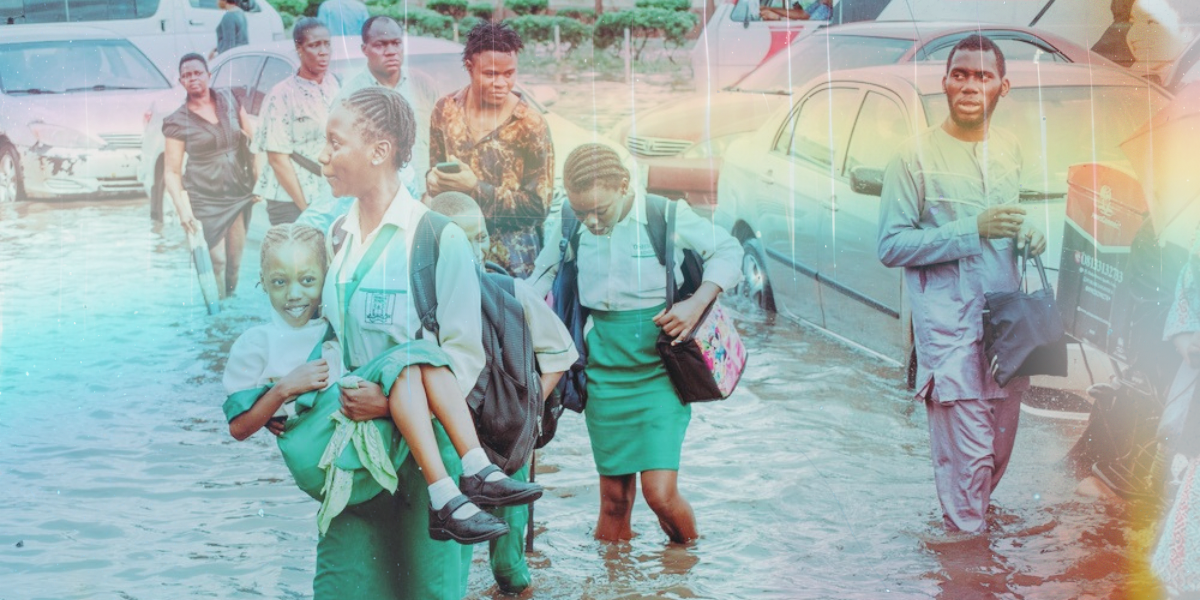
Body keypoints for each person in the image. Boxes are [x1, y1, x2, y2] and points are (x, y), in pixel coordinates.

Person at [222, 222, 540, 545]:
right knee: (411, 357)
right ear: (262, 282)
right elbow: (238, 428)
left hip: (345, 433)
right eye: (279, 282)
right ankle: (458, 482)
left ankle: (469, 471)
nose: (294, 294)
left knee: (419, 359)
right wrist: (283, 389)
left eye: (308, 280)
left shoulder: (332, 325)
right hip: (313, 449)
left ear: (326, 278)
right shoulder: (255, 343)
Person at [311, 85, 503, 598]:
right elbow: (332, 336)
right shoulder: (337, 235)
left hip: (426, 457)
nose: (322, 156)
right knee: (341, 586)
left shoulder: (439, 238)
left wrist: (389, 403)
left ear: (380, 150)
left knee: (427, 590)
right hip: (355, 450)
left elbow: (464, 359)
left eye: (334, 143)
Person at [527, 143, 743, 544]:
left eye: (600, 210)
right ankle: (616, 585)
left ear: (624, 185)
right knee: (613, 502)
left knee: (660, 495)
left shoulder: (664, 214)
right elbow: (542, 274)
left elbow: (729, 250)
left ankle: (686, 568)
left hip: (661, 372)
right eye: (581, 211)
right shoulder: (568, 222)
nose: (591, 221)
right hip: (605, 376)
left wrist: (696, 304)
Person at [877, 34, 1048, 538]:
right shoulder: (912, 157)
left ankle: (967, 561)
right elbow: (891, 246)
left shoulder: (1012, 150)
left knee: (992, 463)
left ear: (1003, 87)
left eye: (983, 76)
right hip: (949, 338)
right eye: (961, 74)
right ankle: (966, 572)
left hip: (1007, 338)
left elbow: (1012, 224)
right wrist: (971, 230)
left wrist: (1030, 234)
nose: (971, 84)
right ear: (945, 82)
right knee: (969, 475)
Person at [430, 190, 579, 594]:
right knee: (443, 546)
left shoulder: (510, 291)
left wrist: (526, 411)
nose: (476, 250)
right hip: (445, 441)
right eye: (464, 240)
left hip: (506, 439)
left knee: (508, 563)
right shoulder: (423, 299)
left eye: (480, 238)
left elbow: (561, 354)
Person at [427, 21, 554, 278]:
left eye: (509, 74)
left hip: (513, 263)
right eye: (491, 74)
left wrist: (475, 187)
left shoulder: (530, 124)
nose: (501, 83)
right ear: (469, 68)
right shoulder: (445, 110)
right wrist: (431, 180)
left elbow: (538, 208)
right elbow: (434, 170)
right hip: (456, 251)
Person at [162, 53, 257, 298]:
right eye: (186, 75)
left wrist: (258, 181)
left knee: (234, 266)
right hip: (204, 197)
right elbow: (171, 172)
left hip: (238, 191)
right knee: (216, 262)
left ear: (209, 75)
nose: (192, 78)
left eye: (197, 73)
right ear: (181, 81)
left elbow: (254, 139)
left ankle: (231, 321)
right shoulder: (177, 120)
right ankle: (215, 327)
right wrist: (183, 212)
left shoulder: (230, 100)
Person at [335, 16, 439, 199]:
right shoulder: (350, 96)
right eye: (380, 45)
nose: (390, 51)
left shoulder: (423, 85)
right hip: (376, 200)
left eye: (396, 43)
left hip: (425, 196)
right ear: (364, 49)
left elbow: (438, 140)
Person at [253, 18, 338, 225]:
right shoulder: (281, 95)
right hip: (290, 200)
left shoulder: (335, 84)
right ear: (299, 48)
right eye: (314, 45)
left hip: (330, 195)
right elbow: (277, 159)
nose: (323, 51)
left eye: (327, 44)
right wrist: (306, 211)